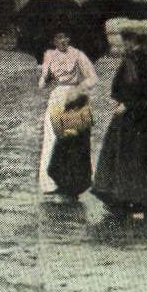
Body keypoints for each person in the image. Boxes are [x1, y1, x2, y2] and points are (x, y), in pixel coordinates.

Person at [91, 26, 147, 221]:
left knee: (138, 157)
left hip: (140, 115)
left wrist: (127, 103)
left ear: (135, 42)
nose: (125, 46)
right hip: (138, 113)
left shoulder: (142, 62)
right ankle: (135, 201)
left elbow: (140, 88)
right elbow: (118, 88)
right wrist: (124, 100)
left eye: (128, 42)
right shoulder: (133, 61)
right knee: (135, 158)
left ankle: (140, 202)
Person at [37, 27, 97, 198]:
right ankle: (51, 182)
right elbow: (42, 83)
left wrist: (79, 89)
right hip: (57, 96)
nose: (63, 41)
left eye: (66, 37)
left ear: (70, 39)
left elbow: (92, 78)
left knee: (73, 140)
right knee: (52, 137)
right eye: (59, 37)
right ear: (53, 40)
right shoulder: (49, 55)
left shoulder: (78, 55)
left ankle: (75, 182)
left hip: (75, 98)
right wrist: (45, 77)